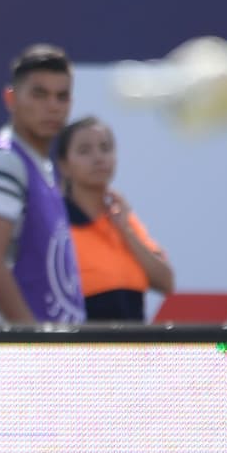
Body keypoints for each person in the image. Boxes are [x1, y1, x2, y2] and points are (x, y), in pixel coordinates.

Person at [0, 44, 85, 324]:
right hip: (3, 358)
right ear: (10, 99)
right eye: (39, 94)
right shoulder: (5, 165)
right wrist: (33, 339)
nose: (52, 106)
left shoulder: (39, 168)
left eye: (62, 96)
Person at [55, 117, 174, 321]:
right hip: (81, 348)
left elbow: (166, 283)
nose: (98, 157)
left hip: (134, 348)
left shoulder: (125, 219)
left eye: (105, 148)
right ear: (64, 165)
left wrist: (126, 230)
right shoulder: (56, 222)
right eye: (85, 150)